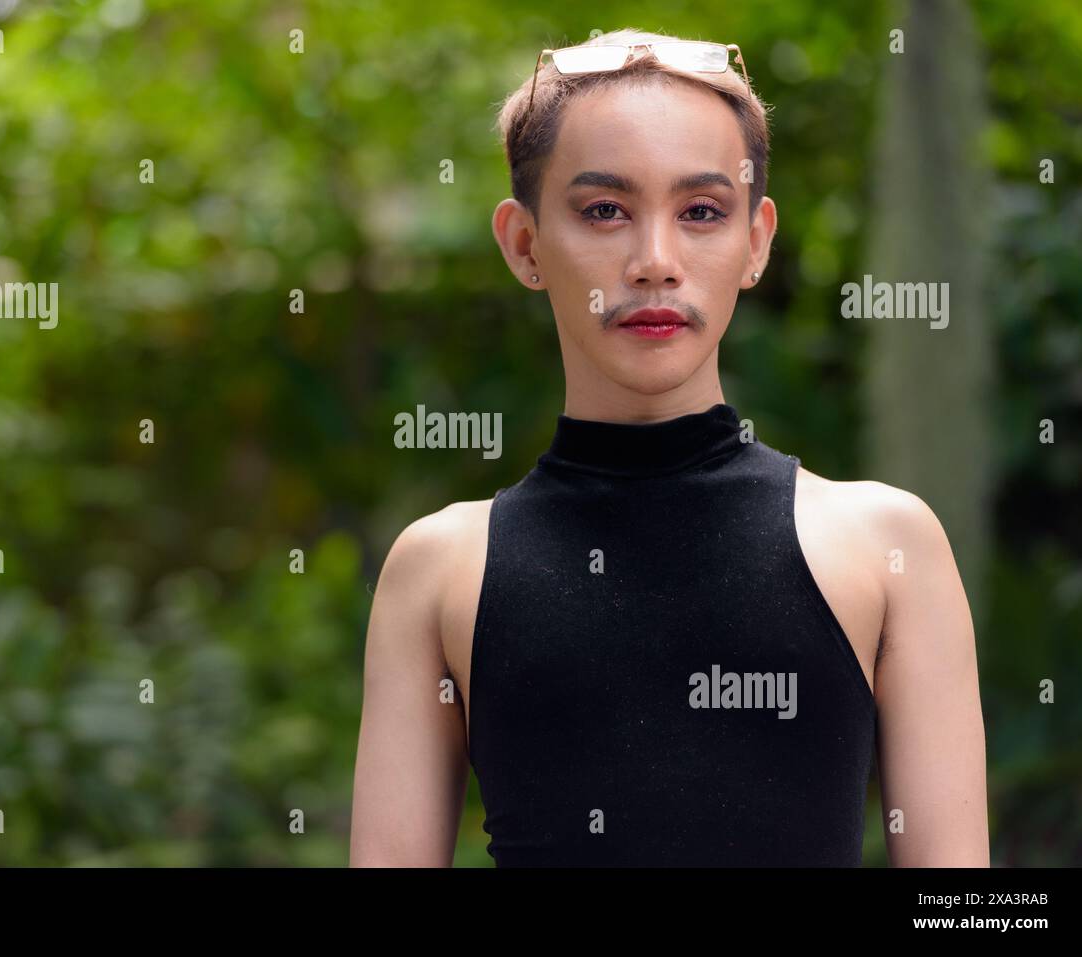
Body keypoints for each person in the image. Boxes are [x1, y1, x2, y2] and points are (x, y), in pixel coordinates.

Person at [350, 27, 988, 866]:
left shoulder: (888, 546)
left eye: (701, 212)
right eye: (604, 210)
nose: (655, 262)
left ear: (756, 241)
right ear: (523, 243)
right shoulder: (438, 569)